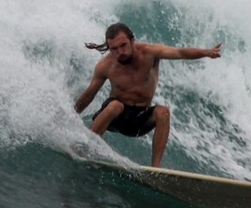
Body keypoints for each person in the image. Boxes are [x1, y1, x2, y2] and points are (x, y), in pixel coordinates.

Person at [74, 22, 222, 168]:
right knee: (115, 105)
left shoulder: (149, 53)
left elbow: (180, 53)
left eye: (123, 45)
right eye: (114, 49)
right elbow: (88, 95)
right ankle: (85, 149)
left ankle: (155, 169)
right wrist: (71, 115)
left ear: (132, 41)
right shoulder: (105, 66)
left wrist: (206, 53)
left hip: (139, 119)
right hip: (115, 117)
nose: (120, 52)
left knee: (163, 112)